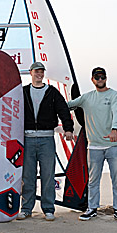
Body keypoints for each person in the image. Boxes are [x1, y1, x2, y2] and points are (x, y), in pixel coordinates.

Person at [67, 67, 117, 223]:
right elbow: (67, 105)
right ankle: (92, 208)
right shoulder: (86, 98)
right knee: (93, 180)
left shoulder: (115, 95)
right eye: (97, 77)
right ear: (92, 80)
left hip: (114, 145)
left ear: (106, 78)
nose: (100, 80)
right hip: (94, 146)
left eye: (102, 77)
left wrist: (115, 129)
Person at [17, 62, 76, 221]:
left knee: (48, 176)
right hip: (27, 139)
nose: (39, 74)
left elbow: (63, 111)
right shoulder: (23, 92)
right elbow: (12, 112)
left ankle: (48, 209)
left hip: (46, 139)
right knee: (28, 177)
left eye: (42, 71)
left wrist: (68, 129)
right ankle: (26, 208)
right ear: (30, 72)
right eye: (36, 71)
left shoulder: (52, 92)